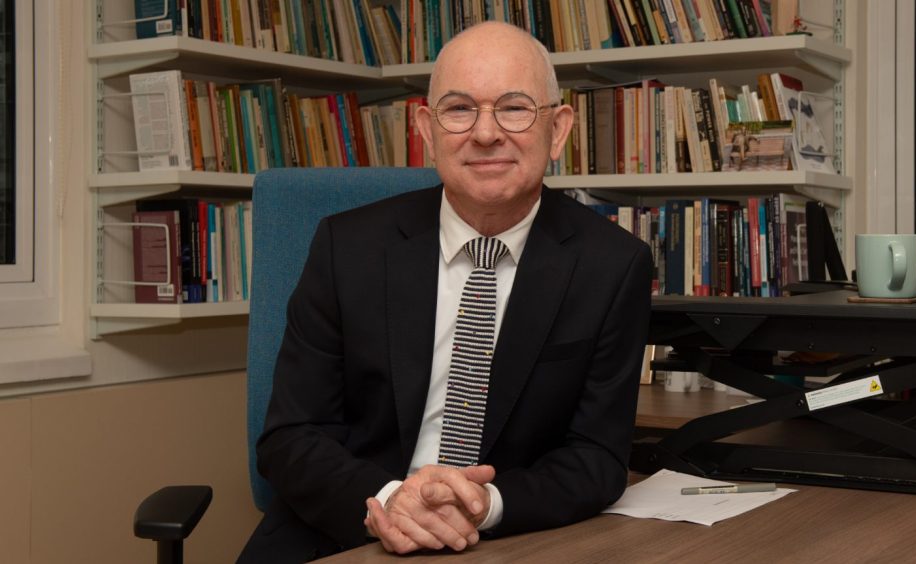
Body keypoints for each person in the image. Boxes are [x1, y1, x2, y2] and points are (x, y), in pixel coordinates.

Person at [238, 21, 653, 563]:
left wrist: (489, 504)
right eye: (459, 109)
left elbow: (597, 458)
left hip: (505, 540)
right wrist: (392, 503)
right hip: (342, 530)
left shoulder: (613, 265)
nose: (485, 134)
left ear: (558, 129)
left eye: (514, 107)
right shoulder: (347, 247)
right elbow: (290, 436)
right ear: (427, 130)